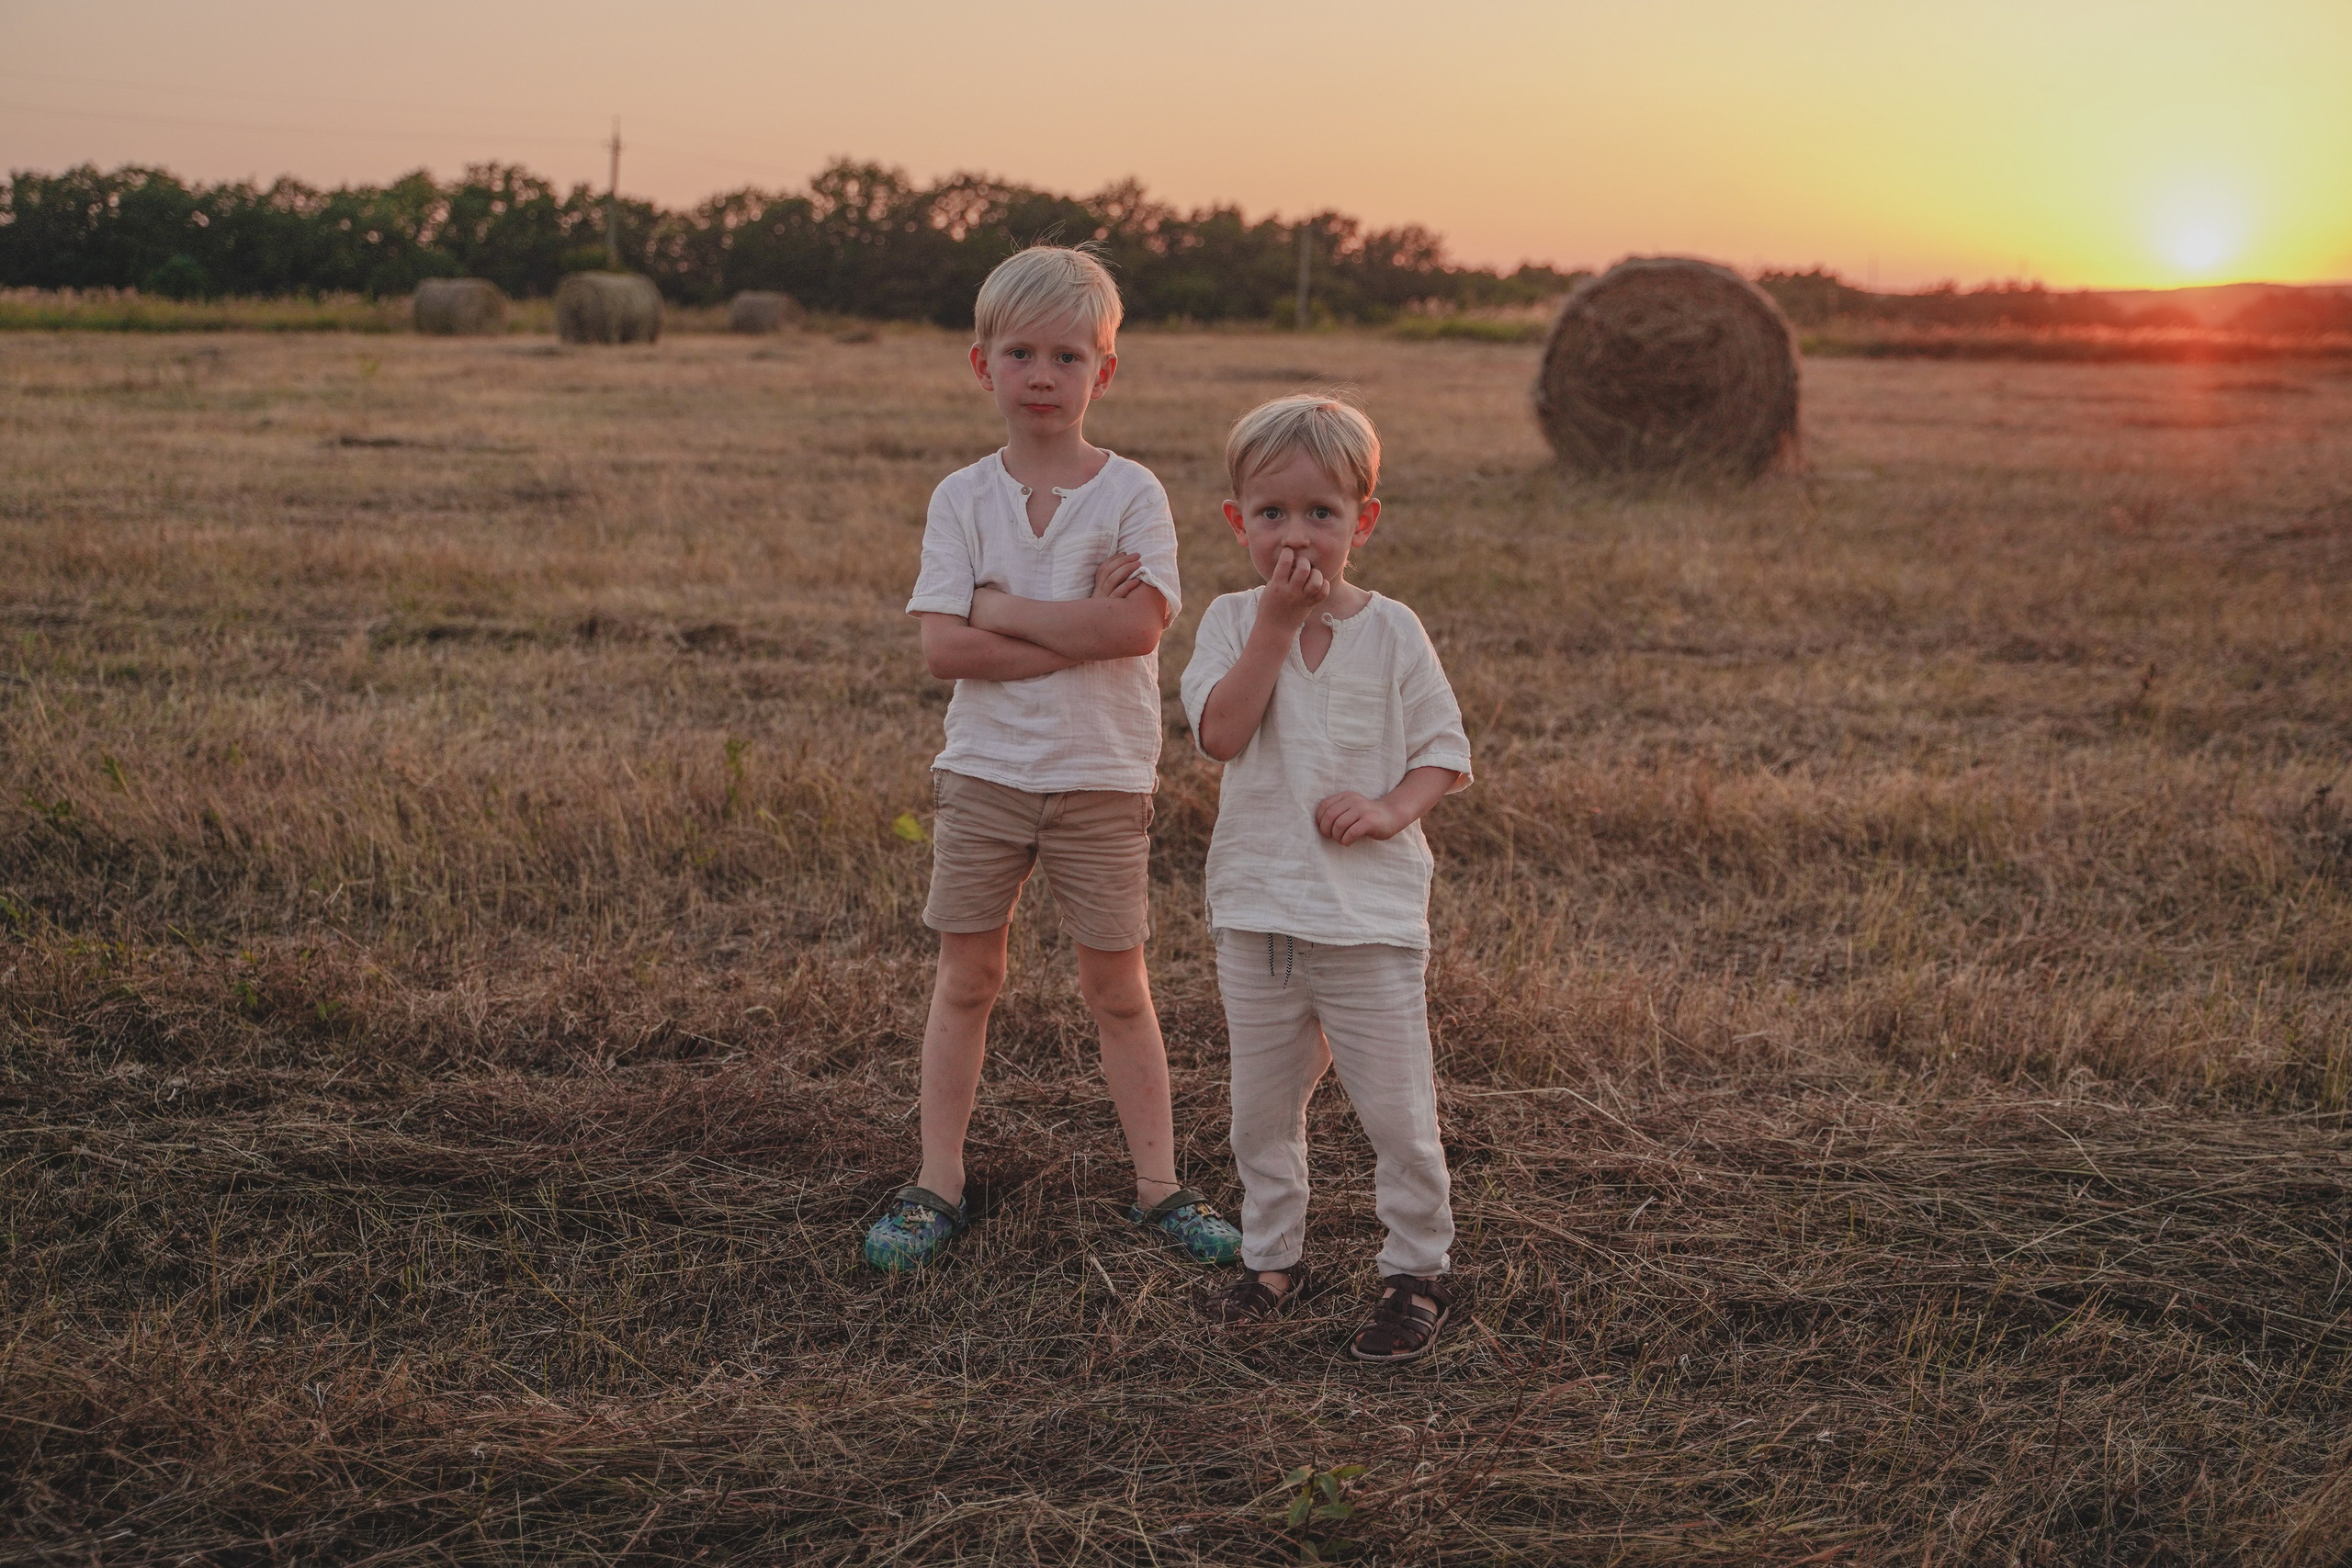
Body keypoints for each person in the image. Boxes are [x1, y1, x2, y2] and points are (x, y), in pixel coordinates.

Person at [863, 244, 1242, 1272]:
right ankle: (937, 1180)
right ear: (979, 364)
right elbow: (943, 649)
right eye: (1020, 351)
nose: (1042, 373)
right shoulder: (961, 499)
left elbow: (1137, 634)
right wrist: (1078, 616)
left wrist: (1002, 609)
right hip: (984, 773)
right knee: (967, 978)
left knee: (1119, 989)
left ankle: (1159, 1189)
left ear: (1103, 372)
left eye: (1067, 355)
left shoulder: (1131, 495)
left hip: (1101, 778)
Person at [1179, 394, 1474, 1361]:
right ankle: (1271, 1259)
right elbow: (1220, 734)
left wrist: (1391, 810)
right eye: (1270, 514)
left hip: (1370, 924)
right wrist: (1272, 622)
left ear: (1363, 521)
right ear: (1237, 523)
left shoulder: (1393, 632)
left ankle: (1416, 1270)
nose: (1294, 534)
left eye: (1320, 514)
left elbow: (1441, 750)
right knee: (1260, 1113)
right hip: (1259, 918)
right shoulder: (1229, 623)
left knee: (1399, 1114)